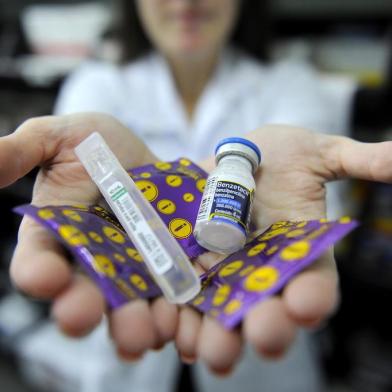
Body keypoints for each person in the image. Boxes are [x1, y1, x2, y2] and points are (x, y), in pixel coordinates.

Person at [0, 1, 372, 391]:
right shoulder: (95, 83)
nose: (184, 4)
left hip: (261, 359)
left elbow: (321, 198)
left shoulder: (291, 83)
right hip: (130, 342)